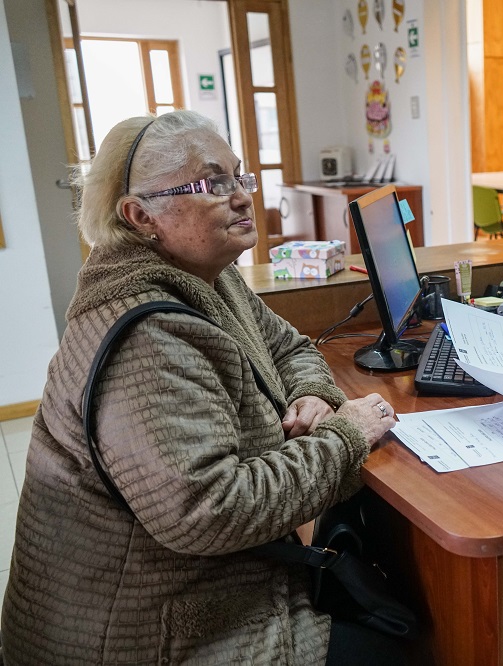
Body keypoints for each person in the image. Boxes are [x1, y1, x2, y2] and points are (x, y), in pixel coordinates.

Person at [1, 111, 397, 664]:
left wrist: (317, 396)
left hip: (201, 583)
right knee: (397, 640)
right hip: (144, 634)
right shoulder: (146, 335)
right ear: (141, 216)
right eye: (213, 184)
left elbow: (289, 347)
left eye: (239, 177)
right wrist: (347, 436)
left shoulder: (209, 274)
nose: (240, 197)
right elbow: (210, 510)